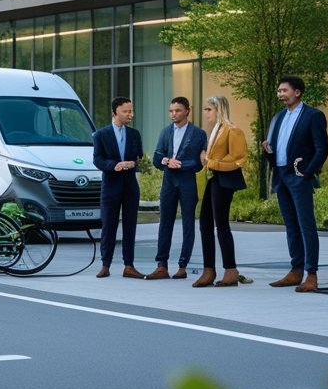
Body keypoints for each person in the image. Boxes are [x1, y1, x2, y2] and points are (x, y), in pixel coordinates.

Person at [260, 76, 328, 293]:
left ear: (297, 92)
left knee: (306, 225)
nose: (280, 94)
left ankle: (311, 274)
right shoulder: (278, 118)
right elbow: (277, 148)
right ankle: (295, 270)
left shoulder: (313, 116)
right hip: (281, 175)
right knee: (290, 226)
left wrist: (307, 173)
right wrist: (267, 151)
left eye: (284, 90)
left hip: (299, 177)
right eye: (279, 90)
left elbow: (322, 148)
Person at [148, 97, 207, 280]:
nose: (174, 114)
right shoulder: (165, 132)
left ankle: (183, 266)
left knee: (188, 224)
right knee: (165, 222)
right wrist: (166, 161)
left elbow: (199, 164)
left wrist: (180, 164)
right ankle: (161, 265)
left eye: (178, 111)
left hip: (187, 181)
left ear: (187, 111)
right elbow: (157, 157)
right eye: (171, 111)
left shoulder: (198, 134)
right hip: (168, 181)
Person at [197, 95, 249, 287]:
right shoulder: (215, 130)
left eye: (209, 109)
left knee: (221, 225)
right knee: (205, 224)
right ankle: (209, 269)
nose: (206, 113)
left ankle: (230, 270)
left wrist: (210, 161)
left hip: (225, 180)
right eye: (205, 109)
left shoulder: (233, 130)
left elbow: (238, 158)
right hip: (214, 179)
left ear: (220, 110)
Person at [92, 96, 144, 278]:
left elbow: (139, 156)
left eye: (131, 111)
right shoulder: (101, 135)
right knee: (109, 225)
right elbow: (97, 159)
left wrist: (133, 163)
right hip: (111, 185)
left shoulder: (135, 134)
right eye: (126, 111)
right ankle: (105, 265)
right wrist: (115, 165)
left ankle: (129, 265)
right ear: (115, 112)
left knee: (130, 225)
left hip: (130, 185)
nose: (131, 114)